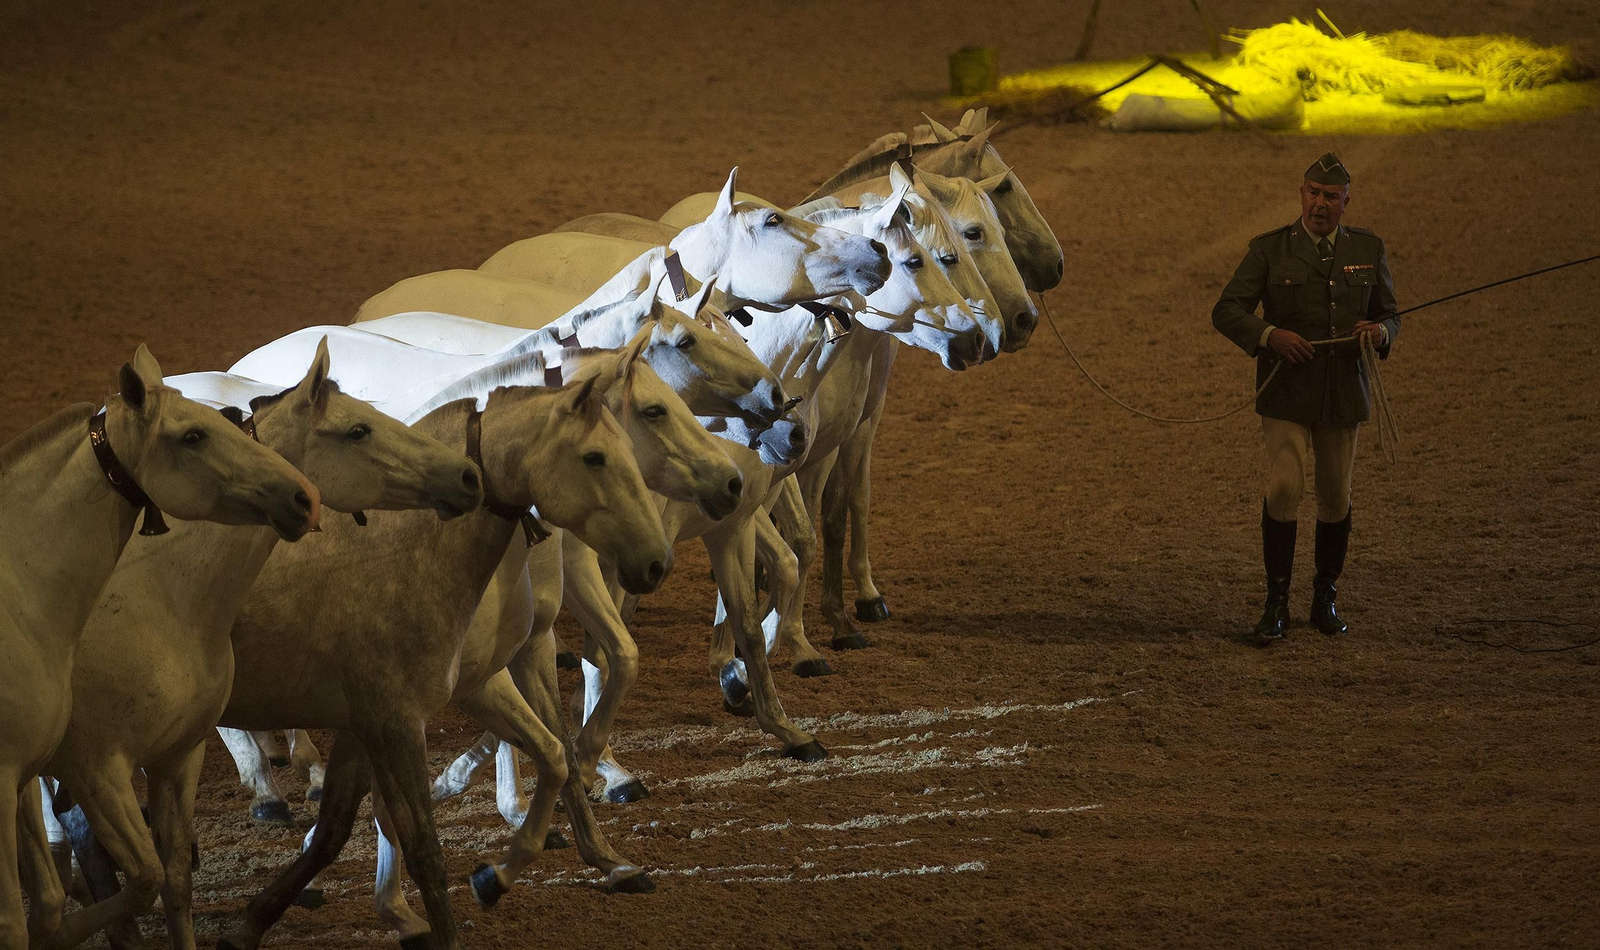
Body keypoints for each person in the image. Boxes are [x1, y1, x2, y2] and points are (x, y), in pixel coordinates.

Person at [1211, 153, 1400, 643]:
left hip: (1343, 392)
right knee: (1285, 488)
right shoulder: (1269, 250)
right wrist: (1271, 335)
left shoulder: (1368, 249)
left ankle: (1324, 596)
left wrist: (1379, 332)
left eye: (1330, 197)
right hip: (1287, 390)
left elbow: (1390, 315)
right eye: (1313, 193)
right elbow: (1228, 309)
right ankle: (1276, 601)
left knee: (1336, 494)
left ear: (1345, 202)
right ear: (1301, 195)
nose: (1320, 204)